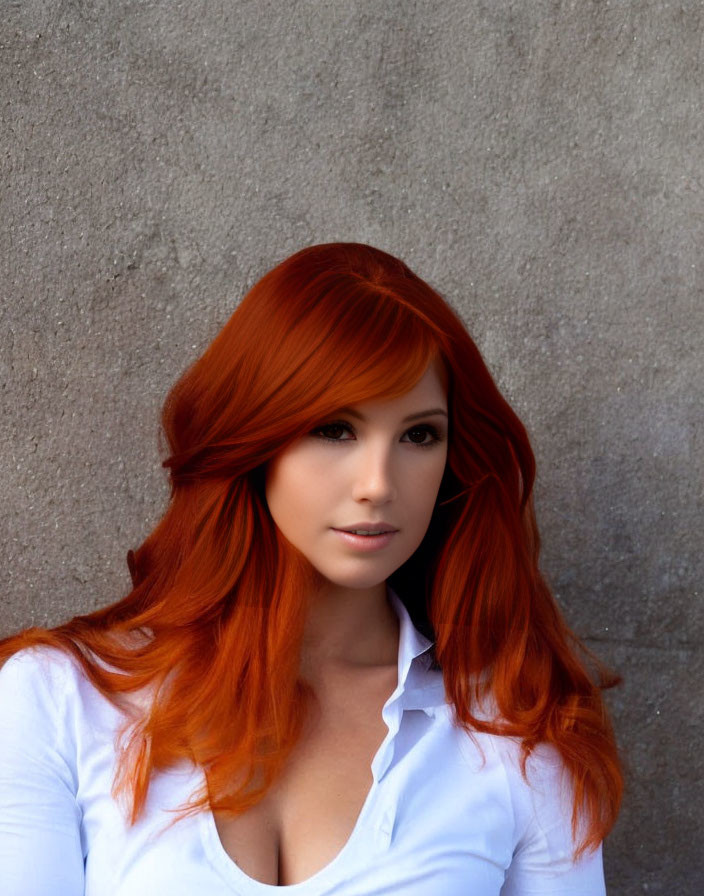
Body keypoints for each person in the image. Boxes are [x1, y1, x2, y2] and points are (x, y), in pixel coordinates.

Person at [0, 242, 622, 894]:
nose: (378, 484)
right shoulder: (58, 701)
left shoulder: (521, 734)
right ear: (255, 436)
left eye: (419, 435)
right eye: (335, 428)